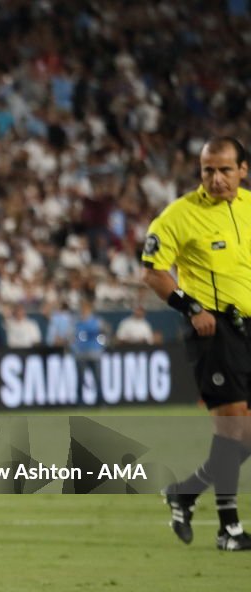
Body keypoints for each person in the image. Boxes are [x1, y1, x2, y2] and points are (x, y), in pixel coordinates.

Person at [143, 136, 251, 551]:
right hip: (213, 329)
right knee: (230, 428)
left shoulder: (247, 207)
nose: (217, 178)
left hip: (246, 328)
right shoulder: (178, 216)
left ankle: (185, 492)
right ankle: (229, 529)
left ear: (243, 169)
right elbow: (153, 272)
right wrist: (190, 307)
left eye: (225, 169)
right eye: (209, 170)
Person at [72, 299, 108, 404]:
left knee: (98, 379)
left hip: (94, 353)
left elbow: (105, 333)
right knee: (80, 379)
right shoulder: (77, 322)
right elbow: (72, 337)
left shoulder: (97, 322)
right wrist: (75, 349)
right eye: (83, 309)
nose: (84, 311)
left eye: (86, 309)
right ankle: (79, 400)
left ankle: (100, 400)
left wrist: (102, 347)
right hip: (81, 354)